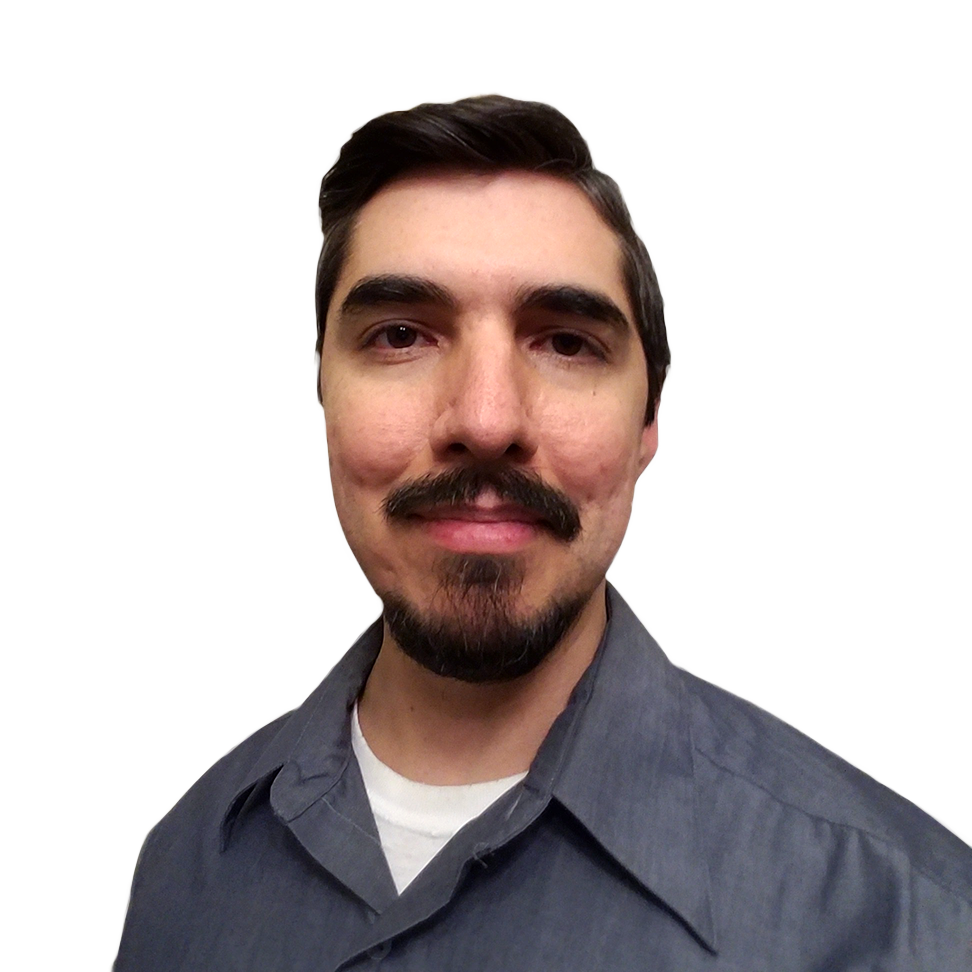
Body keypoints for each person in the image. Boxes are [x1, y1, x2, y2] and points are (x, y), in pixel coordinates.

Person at [112, 95, 971, 971]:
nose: (487, 421)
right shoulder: (184, 867)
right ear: (327, 399)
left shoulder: (912, 921)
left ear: (647, 424)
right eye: (401, 335)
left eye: (565, 342)